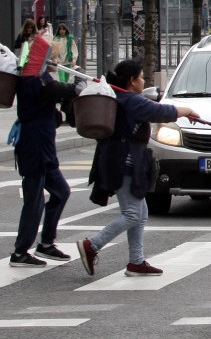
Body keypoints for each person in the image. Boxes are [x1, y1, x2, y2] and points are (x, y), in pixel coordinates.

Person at [78, 59, 200, 277]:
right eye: (141, 77)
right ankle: (92, 245)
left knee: (140, 212)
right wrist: (187, 110)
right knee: (133, 214)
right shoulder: (132, 101)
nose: (143, 81)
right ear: (132, 81)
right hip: (124, 163)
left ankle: (136, 262)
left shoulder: (123, 97)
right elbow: (160, 111)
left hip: (124, 160)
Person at [9, 25, 77, 267]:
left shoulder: (41, 77)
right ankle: (20, 251)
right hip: (33, 147)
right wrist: (77, 86)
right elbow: (60, 90)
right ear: (43, 58)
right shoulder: (32, 81)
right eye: (53, 56)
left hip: (44, 147)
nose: (56, 60)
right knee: (34, 200)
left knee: (61, 191)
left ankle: (46, 243)